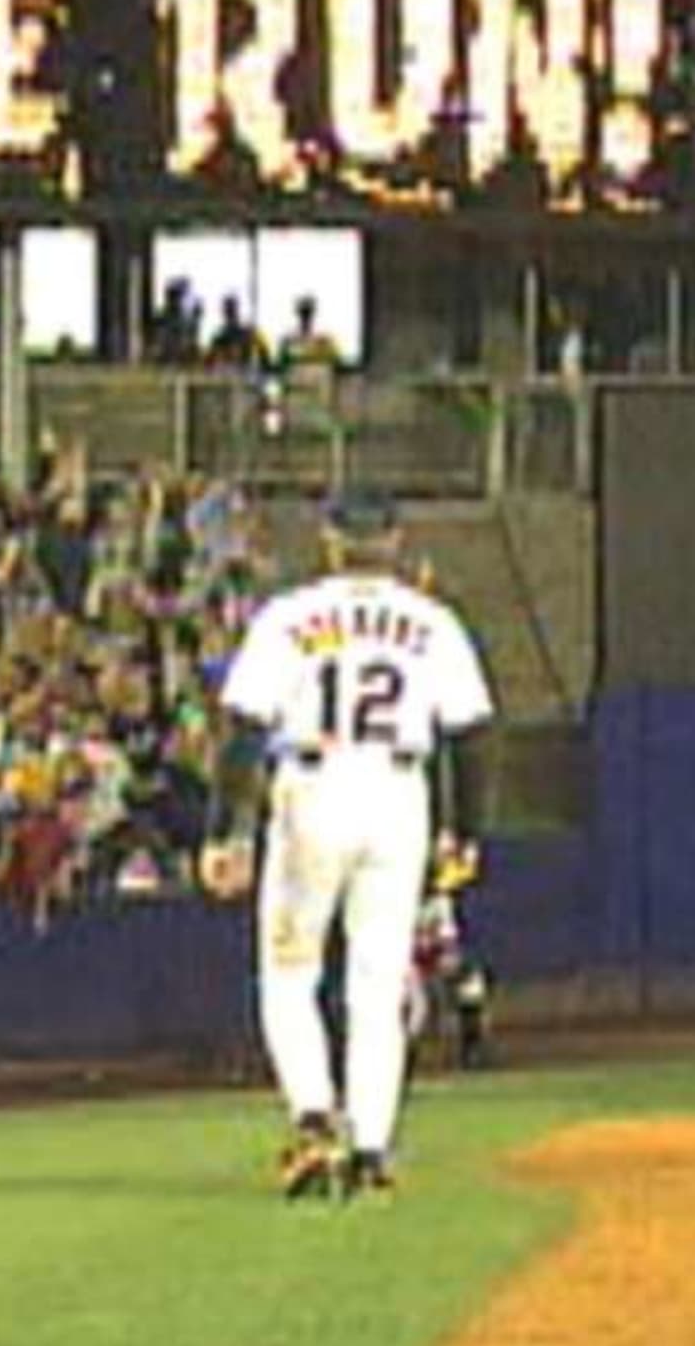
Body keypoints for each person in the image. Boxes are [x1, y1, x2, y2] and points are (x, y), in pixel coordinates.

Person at [207, 488, 496, 1201]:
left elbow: (243, 730)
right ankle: (372, 1145)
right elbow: (473, 734)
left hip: (314, 786)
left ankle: (313, 1121)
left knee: (290, 970)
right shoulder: (431, 622)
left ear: (331, 542)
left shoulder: (291, 616)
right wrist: (467, 830)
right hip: (400, 794)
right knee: (379, 980)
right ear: (396, 542)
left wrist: (224, 831)